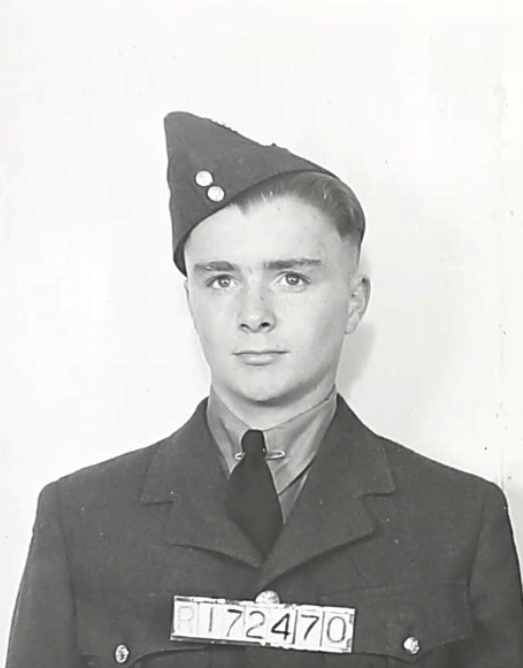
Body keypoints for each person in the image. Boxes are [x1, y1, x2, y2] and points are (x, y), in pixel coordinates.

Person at [6, 112, 523, 667]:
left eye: (291, 278)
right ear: (190, 301)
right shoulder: (83, 520)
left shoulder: (458, 523)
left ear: (354, 301)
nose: (253, 314)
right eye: (221, 280)